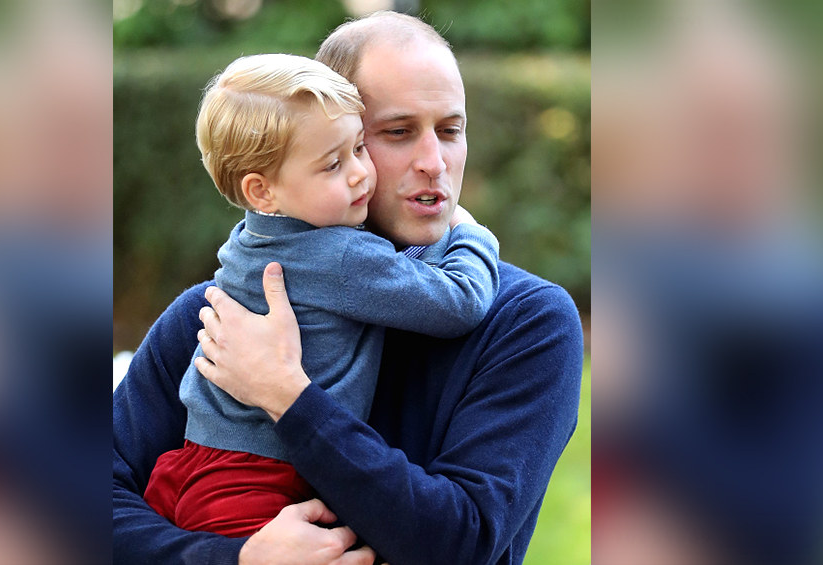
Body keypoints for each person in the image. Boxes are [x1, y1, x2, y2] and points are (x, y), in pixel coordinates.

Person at [113, 11, 583, 565]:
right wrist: (237, 560)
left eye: (450, 130)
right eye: (397, 132)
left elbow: (462, 541)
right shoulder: (223, 318)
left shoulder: (527, 322)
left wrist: (287, 395)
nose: (434, 163)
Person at [141, 52, 500, 538]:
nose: (358, 174)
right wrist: (471, 233)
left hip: (192, 464)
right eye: (333, 164)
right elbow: (460, 302)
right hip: (256, 480)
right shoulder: (339, 256)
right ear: (262, 191)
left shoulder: (251, 240)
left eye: (358, 149)